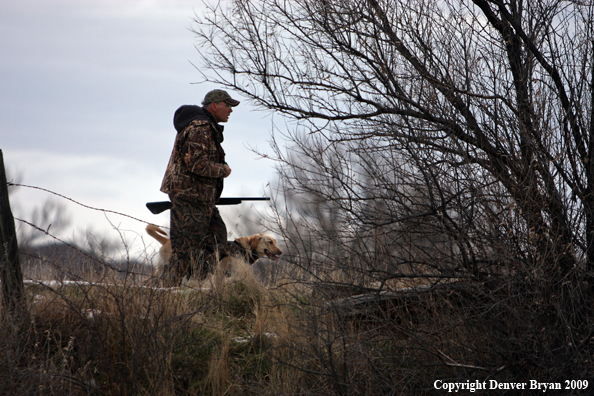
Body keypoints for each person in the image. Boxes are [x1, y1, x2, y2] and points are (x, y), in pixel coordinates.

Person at [160, 89, 241, 285]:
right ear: (214, 105)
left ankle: (199, 284)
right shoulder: (199, 127)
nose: (230, 110)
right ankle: (164, 292)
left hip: (201, 200)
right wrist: (223, 170)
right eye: (227, 105)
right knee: (185, 251)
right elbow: (197, 164)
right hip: (190, 200)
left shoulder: (207, 127)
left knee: (216, 239)